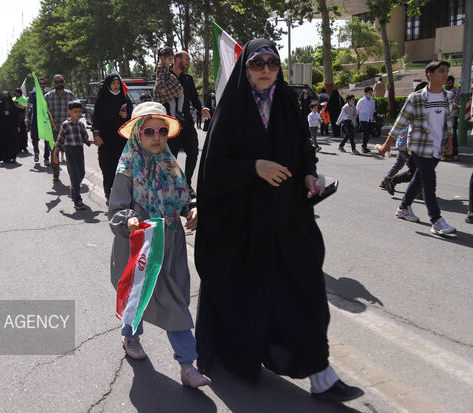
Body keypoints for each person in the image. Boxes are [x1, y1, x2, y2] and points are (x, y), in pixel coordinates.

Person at [195, 38, 364, 403]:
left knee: (305, 291)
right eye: (258, 63)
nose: (267, 70)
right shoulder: (232, 107)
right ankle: (237, 354)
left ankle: (321, 374)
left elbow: (304, 150)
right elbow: (212, 171)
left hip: (288, 219)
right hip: (245, 226)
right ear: (246, 68)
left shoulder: (288, 100)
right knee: (249, 294)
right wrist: (254, 167)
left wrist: (309, 176)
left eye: (273, 63)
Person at [109, 101, 211, 389]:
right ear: (137, 134)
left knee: (176, 300)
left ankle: (187, 365)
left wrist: (192, 208)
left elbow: (183, 196)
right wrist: (129, 221)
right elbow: (115, 210)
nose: (156, 137)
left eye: (162, 131)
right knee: (138, 298)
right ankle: (130, 334)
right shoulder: (126, 170)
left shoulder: (170, 164)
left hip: (171, 243)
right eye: (149, 131)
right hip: (140, 247)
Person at [378, 60, 456, 235]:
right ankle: (436, 221)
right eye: (442, 71)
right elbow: (400, 122)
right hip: (420, 147)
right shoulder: (416, 98)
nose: (446, 74)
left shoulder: (448, 97)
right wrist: (387, 144)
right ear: (430, 75)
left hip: (437, 148)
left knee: (419, 177)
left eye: (447, 71)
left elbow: (449, 120)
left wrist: (449, 141)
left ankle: (403, 207)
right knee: (429, 182)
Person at [167, 51, 211, 193]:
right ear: (177, 59)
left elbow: (193, 98)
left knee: (193, 152)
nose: (189, 62)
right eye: (186, 59)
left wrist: (201, 108)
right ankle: (172, 183)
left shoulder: (188, 78)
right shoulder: (165, 76)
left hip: (187, 124)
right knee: (170, 157)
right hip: (171, 125)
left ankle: (187, 183)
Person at [92, 74, 133, 203]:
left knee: (122, 168)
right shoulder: (102, 99)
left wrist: (126, 115)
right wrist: (96, 135)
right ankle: (108, 193)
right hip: (107, 140)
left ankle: (123, 193)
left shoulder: (124, 98)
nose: (116, 86)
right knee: (108, 168)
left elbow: (132, 117)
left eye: (118, 83)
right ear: (108, 85)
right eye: (113, 83)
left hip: (122, 140)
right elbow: (96, 119)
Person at [53, 101, 96, 209]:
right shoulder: (65, 125)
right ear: (69, 112)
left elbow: (85, 138)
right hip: (69, 151)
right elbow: (59, 141)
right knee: (75, 174)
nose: (77, 114)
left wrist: (94, 142)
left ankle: (74, 188)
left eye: (79, 112)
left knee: (81, 173)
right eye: (75, 112)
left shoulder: (81, 124)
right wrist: (54, 154)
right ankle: (77, 200)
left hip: (79, 150)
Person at [45, 74, 75, 178]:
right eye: (56, 82)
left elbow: (77, 112)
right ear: (53, 84)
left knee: (71, 155)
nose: (59, 84)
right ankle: (56, 173)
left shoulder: (70, 95)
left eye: (61, 81)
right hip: (53, 130)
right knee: (54, 153)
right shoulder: (47, 97)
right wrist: (49, 121)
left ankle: (73, 177)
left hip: (68, 130)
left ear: (64, 82)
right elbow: (43, 114)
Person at [25, 76, 50, 164]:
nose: (42, 85)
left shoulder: (48, 94)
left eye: (43, 84)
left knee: (47, 140)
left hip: (45, 120)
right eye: (40, 84)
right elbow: (27, 107)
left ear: (46, 85)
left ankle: (46, 158)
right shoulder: (32, 94)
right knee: (34, 139)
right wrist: (26, 117)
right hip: (35, 120)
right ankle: (36, 152)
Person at [153, 46, 184, 119]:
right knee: (181, 95)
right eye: (169, 59)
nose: (171, 61)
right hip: (166, 87)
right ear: (163, 58)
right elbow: (160, 78)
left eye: (171, 59)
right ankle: (178, 113)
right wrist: (162, 87)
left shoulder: (164, 65)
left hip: (168, 86)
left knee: (172, 102)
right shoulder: (161, 66)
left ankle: (174, 117)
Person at [0, 91, 19, 163]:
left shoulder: (12, 104)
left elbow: (16, 115)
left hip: (12, 126)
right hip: (3, 127)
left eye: (6, 95)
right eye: (3, 95)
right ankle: (5, 158)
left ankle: (13, 157)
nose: (5, 96)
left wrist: (18, 126)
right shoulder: (0, 105)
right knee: (3, 142)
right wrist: (3, 113)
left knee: (12, 141)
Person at [444, 75, 461, 161]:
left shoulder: (455, 90)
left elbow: (454, 103)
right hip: (446, 116)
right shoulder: (444, 91)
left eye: (449, 83)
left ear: (452, 83)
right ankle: (448, 154)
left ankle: (454, 154)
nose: (447, 84)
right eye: (446, 82)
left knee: (452, 135)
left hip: (452, 116)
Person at [357, 86, 376, 153]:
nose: (371, 94)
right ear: (365, 93)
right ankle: (364, 146)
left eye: (371, 92)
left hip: (369, 119)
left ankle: (364, 145)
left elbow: (373, 110)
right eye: (369, 92)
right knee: (365, 133)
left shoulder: (372, 101)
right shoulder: (361, 101)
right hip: (363, 119)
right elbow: (357, 109)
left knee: (368, 134)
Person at [13, 88, 29, 153]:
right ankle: (18, 147)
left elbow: (24, 107)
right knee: (17, 133)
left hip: (22, 118)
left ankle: (24, 147)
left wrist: (17, 104)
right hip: (15, 118)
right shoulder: (13, 99)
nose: (16, 94)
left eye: (17, 93)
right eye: (15, 93)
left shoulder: (24, 99)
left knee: (23, 133)